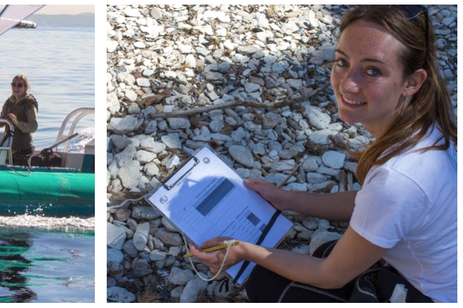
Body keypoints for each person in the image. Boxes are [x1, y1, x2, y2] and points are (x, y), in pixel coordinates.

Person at [188, 6, 456, 303]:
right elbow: (373, 202)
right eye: (342, 61)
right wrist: (288, 200)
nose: (348, 84)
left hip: (432, 296)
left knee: (267, 281)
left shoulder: (397, 177)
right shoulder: (429, 128)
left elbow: (331, 274)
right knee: (323, 252)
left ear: (412, 82)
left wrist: (245, 250)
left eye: (373, 70)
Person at [0, 75, 38, 165]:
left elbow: (33, 127)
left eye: (19, 85)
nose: (15, 87)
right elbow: (1, 124)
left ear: (25, 87)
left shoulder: (29, 104)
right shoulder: (9, 102)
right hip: (9, 149)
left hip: (23, 150)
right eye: (13, 84)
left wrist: (17, 123)